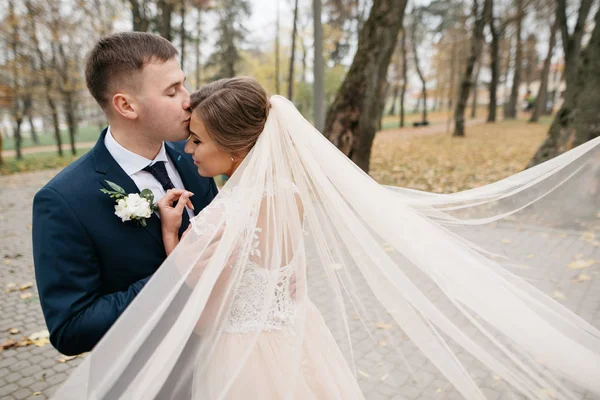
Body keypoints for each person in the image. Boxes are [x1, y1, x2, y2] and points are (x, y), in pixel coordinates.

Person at [52, 77, 600, 399]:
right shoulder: (287, 193)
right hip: (300, 339)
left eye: (197, 141)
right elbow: (289, 286)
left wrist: (175, 240)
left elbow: (204, 315)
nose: (190, 154)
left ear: (236, 146)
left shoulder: (230, 214)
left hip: (245, 362)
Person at [32, 32, 217, 358]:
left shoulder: (195, 155)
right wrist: (174, 274)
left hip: (227, 357)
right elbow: (71, 328)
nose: (188, 99)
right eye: (172, 91)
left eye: (183, 84)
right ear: (126, 105)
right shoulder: (64, 200)